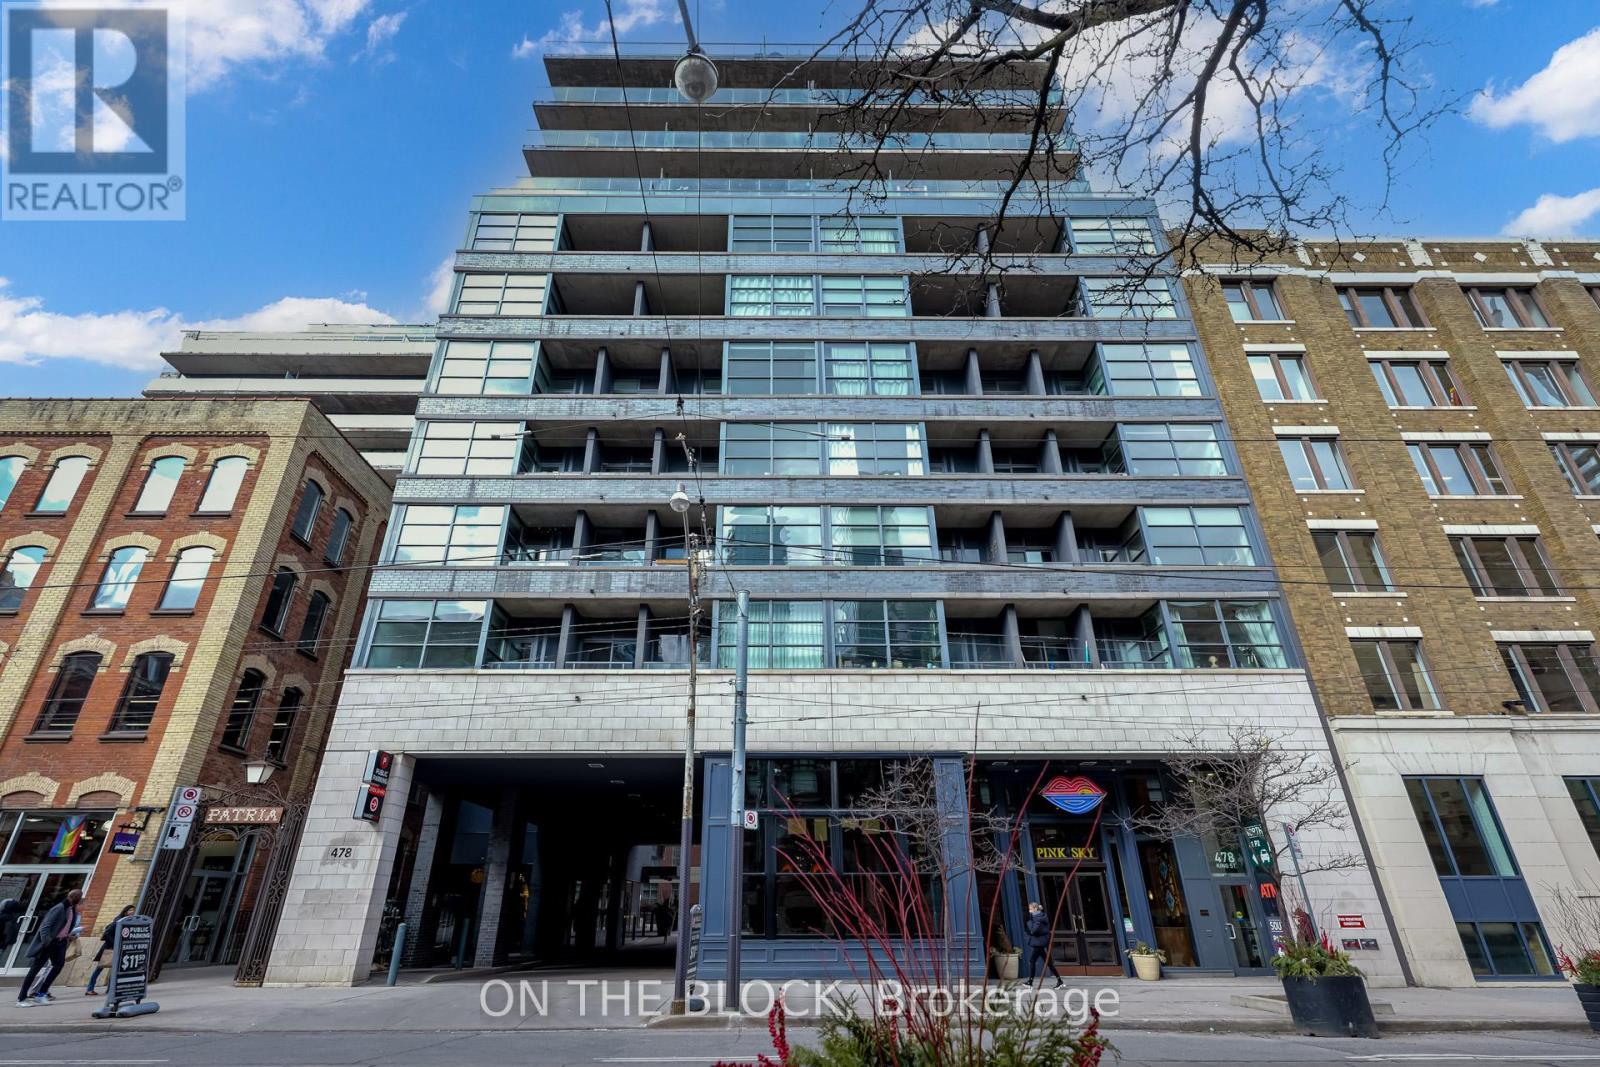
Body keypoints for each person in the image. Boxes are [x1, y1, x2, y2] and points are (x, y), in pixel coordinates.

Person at [15, 888, 81, 1007]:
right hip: (50, 943)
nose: (79, 900)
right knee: (35, 969)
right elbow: (45, 927)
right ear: (71, 897)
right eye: (77, 897)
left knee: (58, 965)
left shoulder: (72, 910)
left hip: (61, 942)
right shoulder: (59, 908)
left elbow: (65, 926)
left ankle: (41, 994)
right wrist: (47, 942)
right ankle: (21, 998)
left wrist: (68, 935)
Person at [85, 905, 135, 996]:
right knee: (99, 968)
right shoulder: (118, 921)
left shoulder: (127, 921)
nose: (132, 912)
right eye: (130, 910)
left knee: (115, 969)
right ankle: (90, 989)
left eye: (133, 911)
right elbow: (107, 933)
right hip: (109, 948)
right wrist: (114, 944)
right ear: (125, 911)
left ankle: (110, 989)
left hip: (117, 948)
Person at [1024, 901, 1063, 988]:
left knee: (1032, 961)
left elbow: (1034, 930)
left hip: (1039, 943)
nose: (1029, 911)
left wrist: (1029, 922)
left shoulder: (1038, 918)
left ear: (1035, 909)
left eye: (1030, 909)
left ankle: (1030, 982)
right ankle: (1059, 980)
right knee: (1048, 963)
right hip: (1040, 942)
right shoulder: (1038, 917)